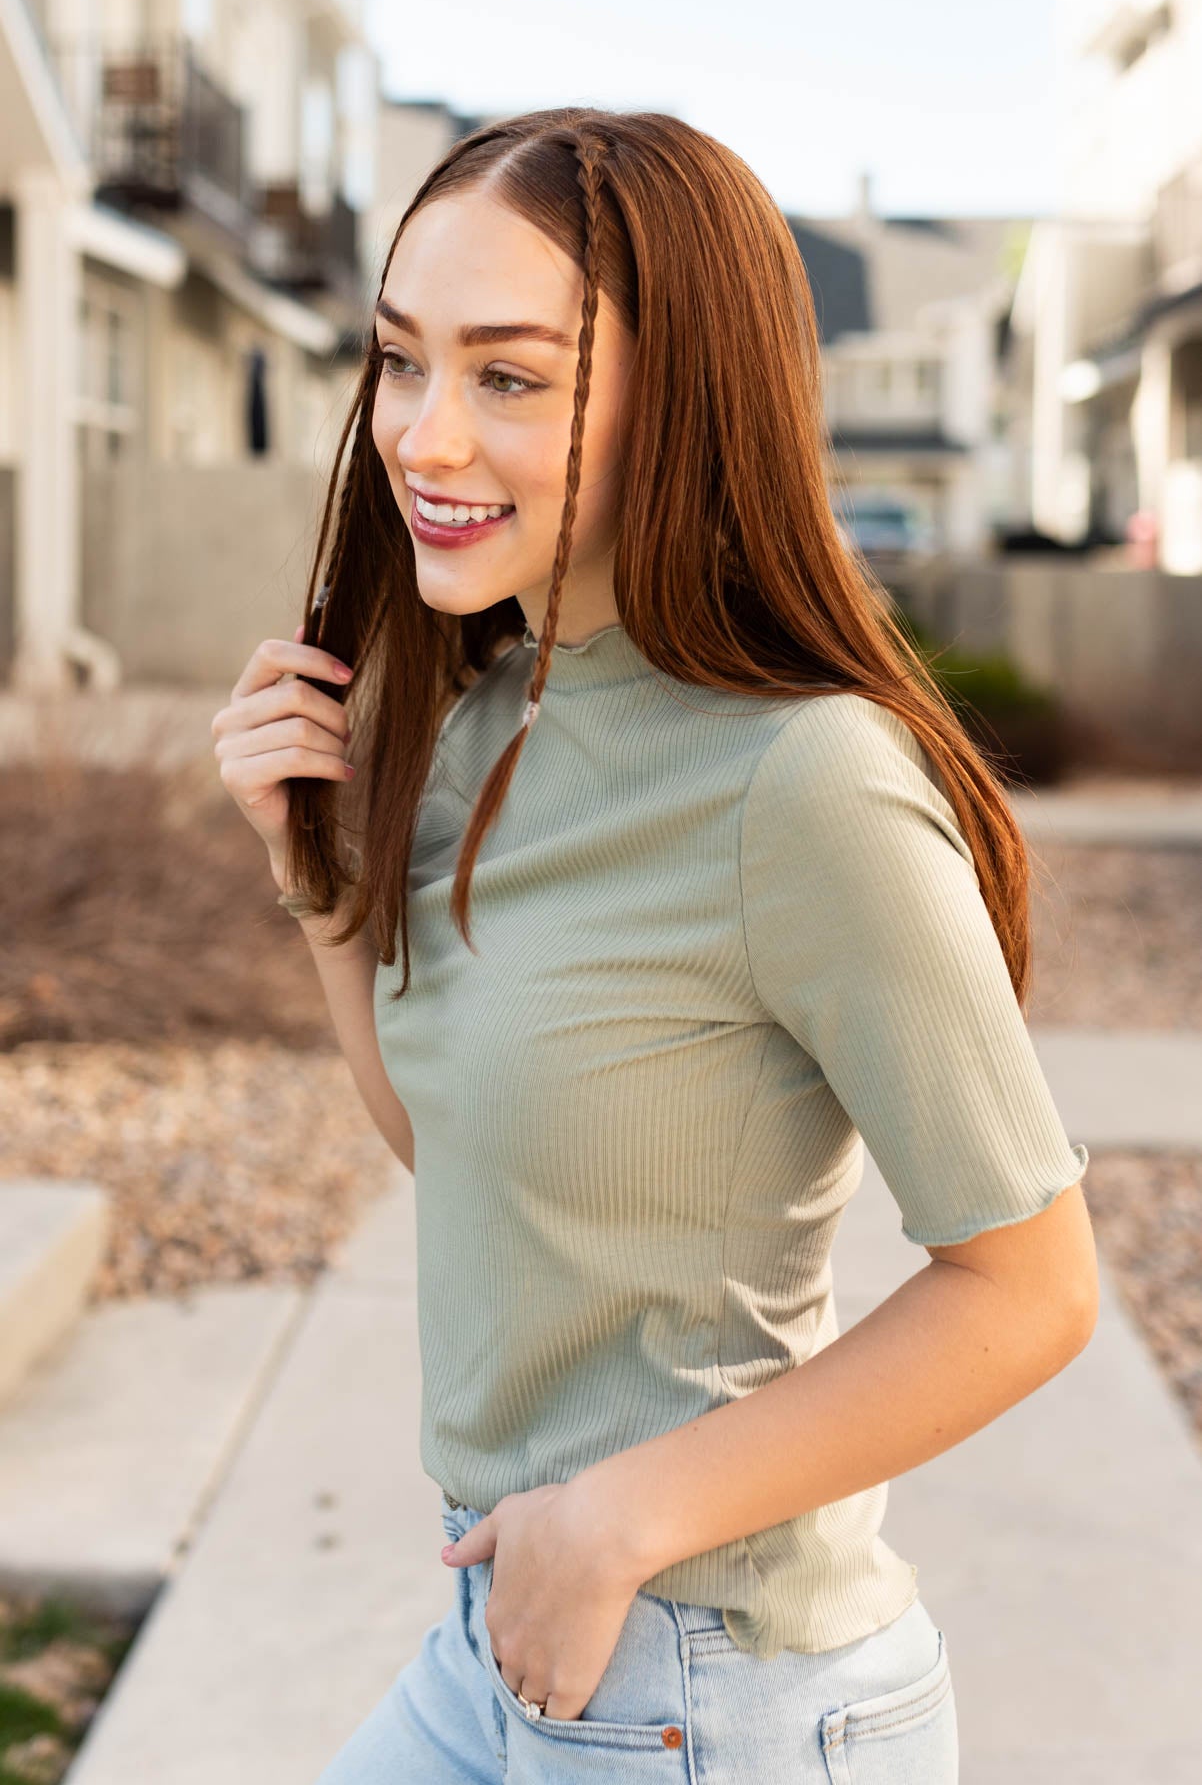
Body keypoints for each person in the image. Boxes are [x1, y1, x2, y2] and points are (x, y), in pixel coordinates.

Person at [212, 106, 1099, 1783]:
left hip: (720, 1693)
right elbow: (464, 1152)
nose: (423, 433)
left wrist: (618, 1522)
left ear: (683, 399)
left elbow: (1028, 1288)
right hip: (502, 1640)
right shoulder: (491, 717)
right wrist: (321, 889)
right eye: (402, 361)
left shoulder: (806, 778)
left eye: (511, 376)